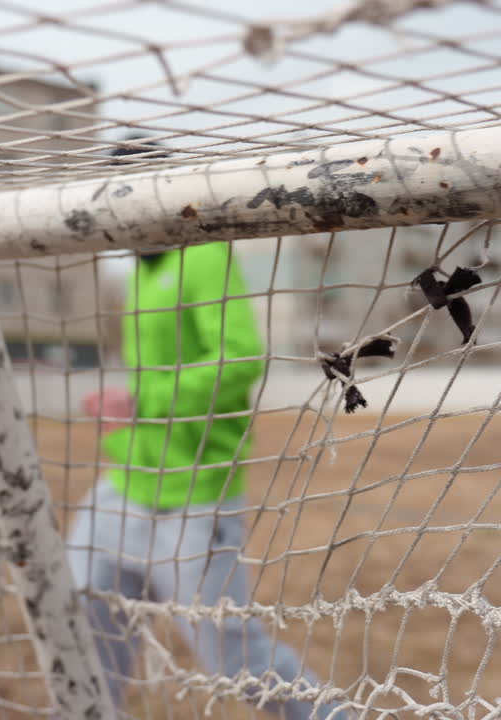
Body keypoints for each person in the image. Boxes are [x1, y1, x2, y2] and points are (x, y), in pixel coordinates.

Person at [69, 145, 346, 719]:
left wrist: (142, 399)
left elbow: (241, 359)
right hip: (123, 487)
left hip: (193, 498)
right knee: (75, 628)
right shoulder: (139, 270)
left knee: (236, 662)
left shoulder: (201, 257)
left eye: (123, 194)